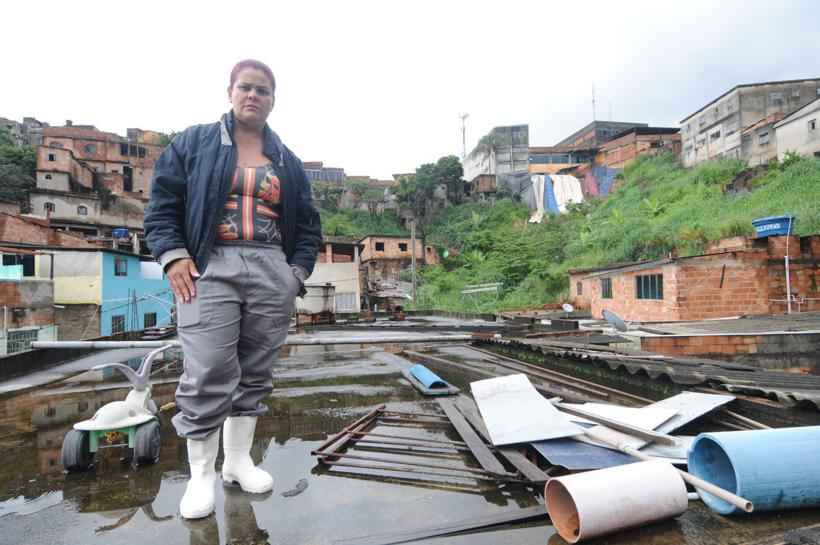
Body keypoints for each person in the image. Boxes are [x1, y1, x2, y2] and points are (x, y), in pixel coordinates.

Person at [145, 59, 322, 519]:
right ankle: (202, 475)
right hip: (209, 265)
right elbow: (162, 206)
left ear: (273, 100)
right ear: (229, 92)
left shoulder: (288, 161)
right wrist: (175, 256)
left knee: (255, 368)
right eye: (246, 87)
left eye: (263, 90)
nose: (253, 96)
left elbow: (307, 226)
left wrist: (295, 275)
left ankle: (239, 461)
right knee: (207, 369)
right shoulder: (194, 143)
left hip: (270, 268)